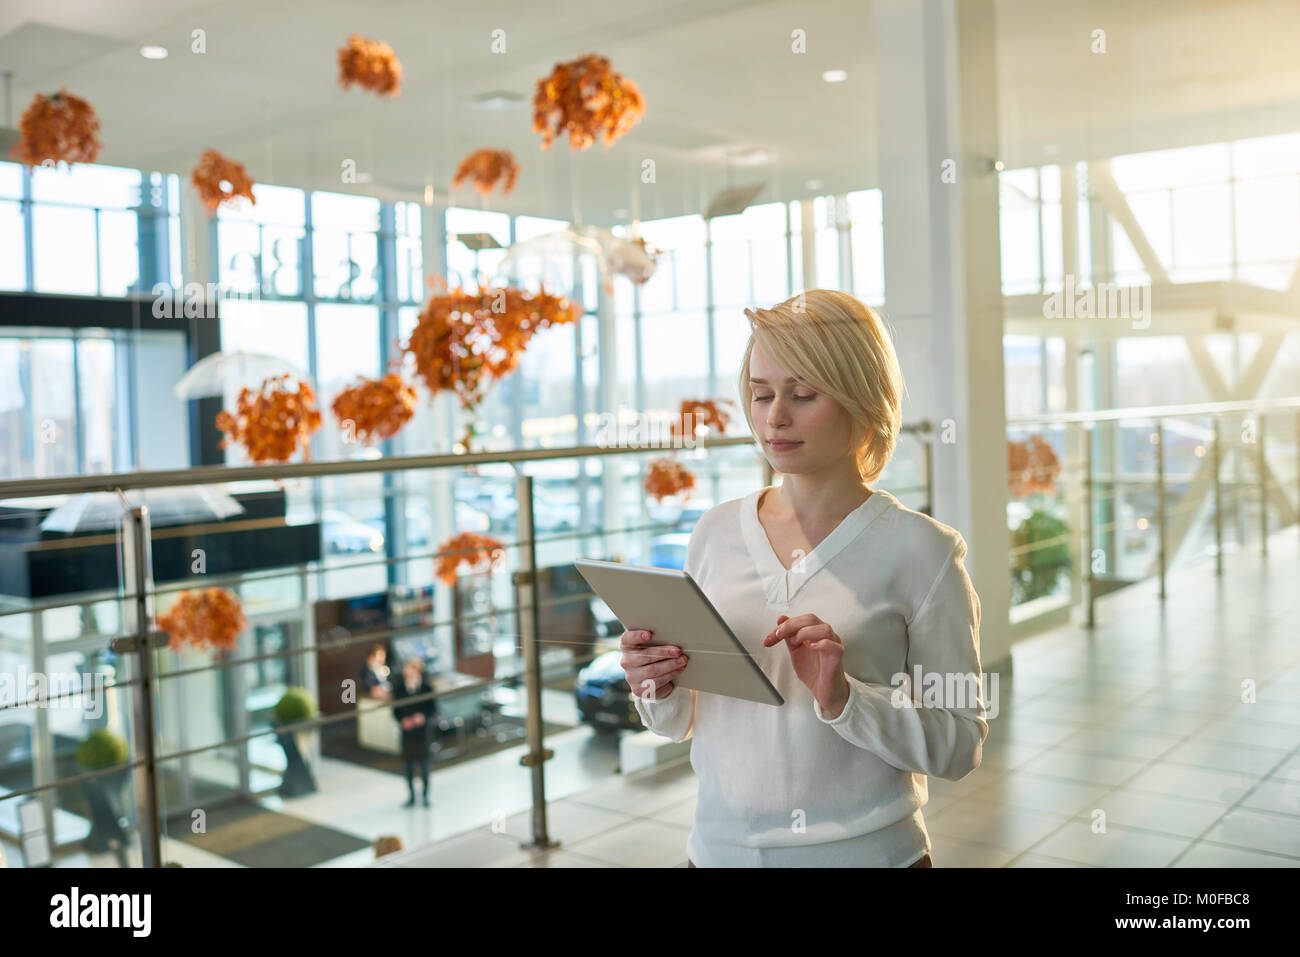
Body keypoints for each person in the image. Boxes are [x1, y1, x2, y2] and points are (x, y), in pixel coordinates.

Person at [624, 289, 988, 868]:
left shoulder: (924, 552)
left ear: (862, 400)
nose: (775, 417)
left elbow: (958, 743)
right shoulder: (715, 532)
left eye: (802, 394)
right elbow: (681, 725)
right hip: (716, 855)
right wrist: (656, 686)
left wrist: (845, 698)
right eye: (761, 393)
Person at [391, 658, 436, 807]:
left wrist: (422, 717)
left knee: (424, 767)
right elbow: (395, 710)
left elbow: (432, 709)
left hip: (422, 733)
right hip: (408, 733)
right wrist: (403, 720)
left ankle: (425, 796)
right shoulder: (399, 689)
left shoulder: (426, 688)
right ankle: (411, 796)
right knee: (408, 767)